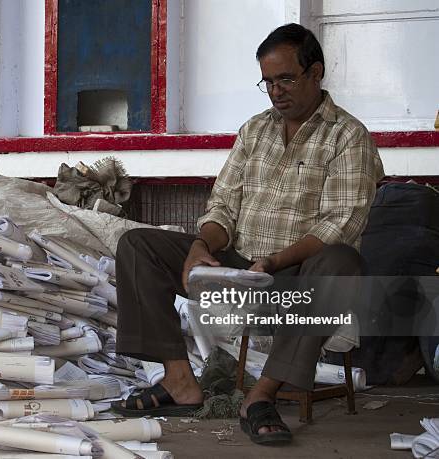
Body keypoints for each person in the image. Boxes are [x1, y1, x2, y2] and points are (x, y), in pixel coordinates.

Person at [112, 23, 384, 445]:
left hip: (294, 275)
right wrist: (202, 246)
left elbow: (339, 225)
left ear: (316, 73)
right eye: (269, 82)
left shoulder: (348, 137)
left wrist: (273, 263)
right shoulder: (255, 131)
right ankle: (179, 380)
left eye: (287, 79)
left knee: (340, 261)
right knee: (138, 244)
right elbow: (224, 206)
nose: (277, 92)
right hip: (241, 266)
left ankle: (259, 398)